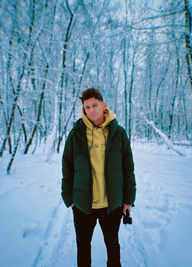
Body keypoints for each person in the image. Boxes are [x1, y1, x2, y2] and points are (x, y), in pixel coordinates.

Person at [61, 88, 136, 267]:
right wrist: (68, 198)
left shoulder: (119, 133)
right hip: (82, 205)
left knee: (112, 245)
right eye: (87, 107)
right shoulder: (75, 134)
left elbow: (128, 167)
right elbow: (67, 166)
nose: (91, 110)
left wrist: (128, 199)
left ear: (104, 106)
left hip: (112, 205)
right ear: (83, 110)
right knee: (83, 247)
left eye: (95, 105)